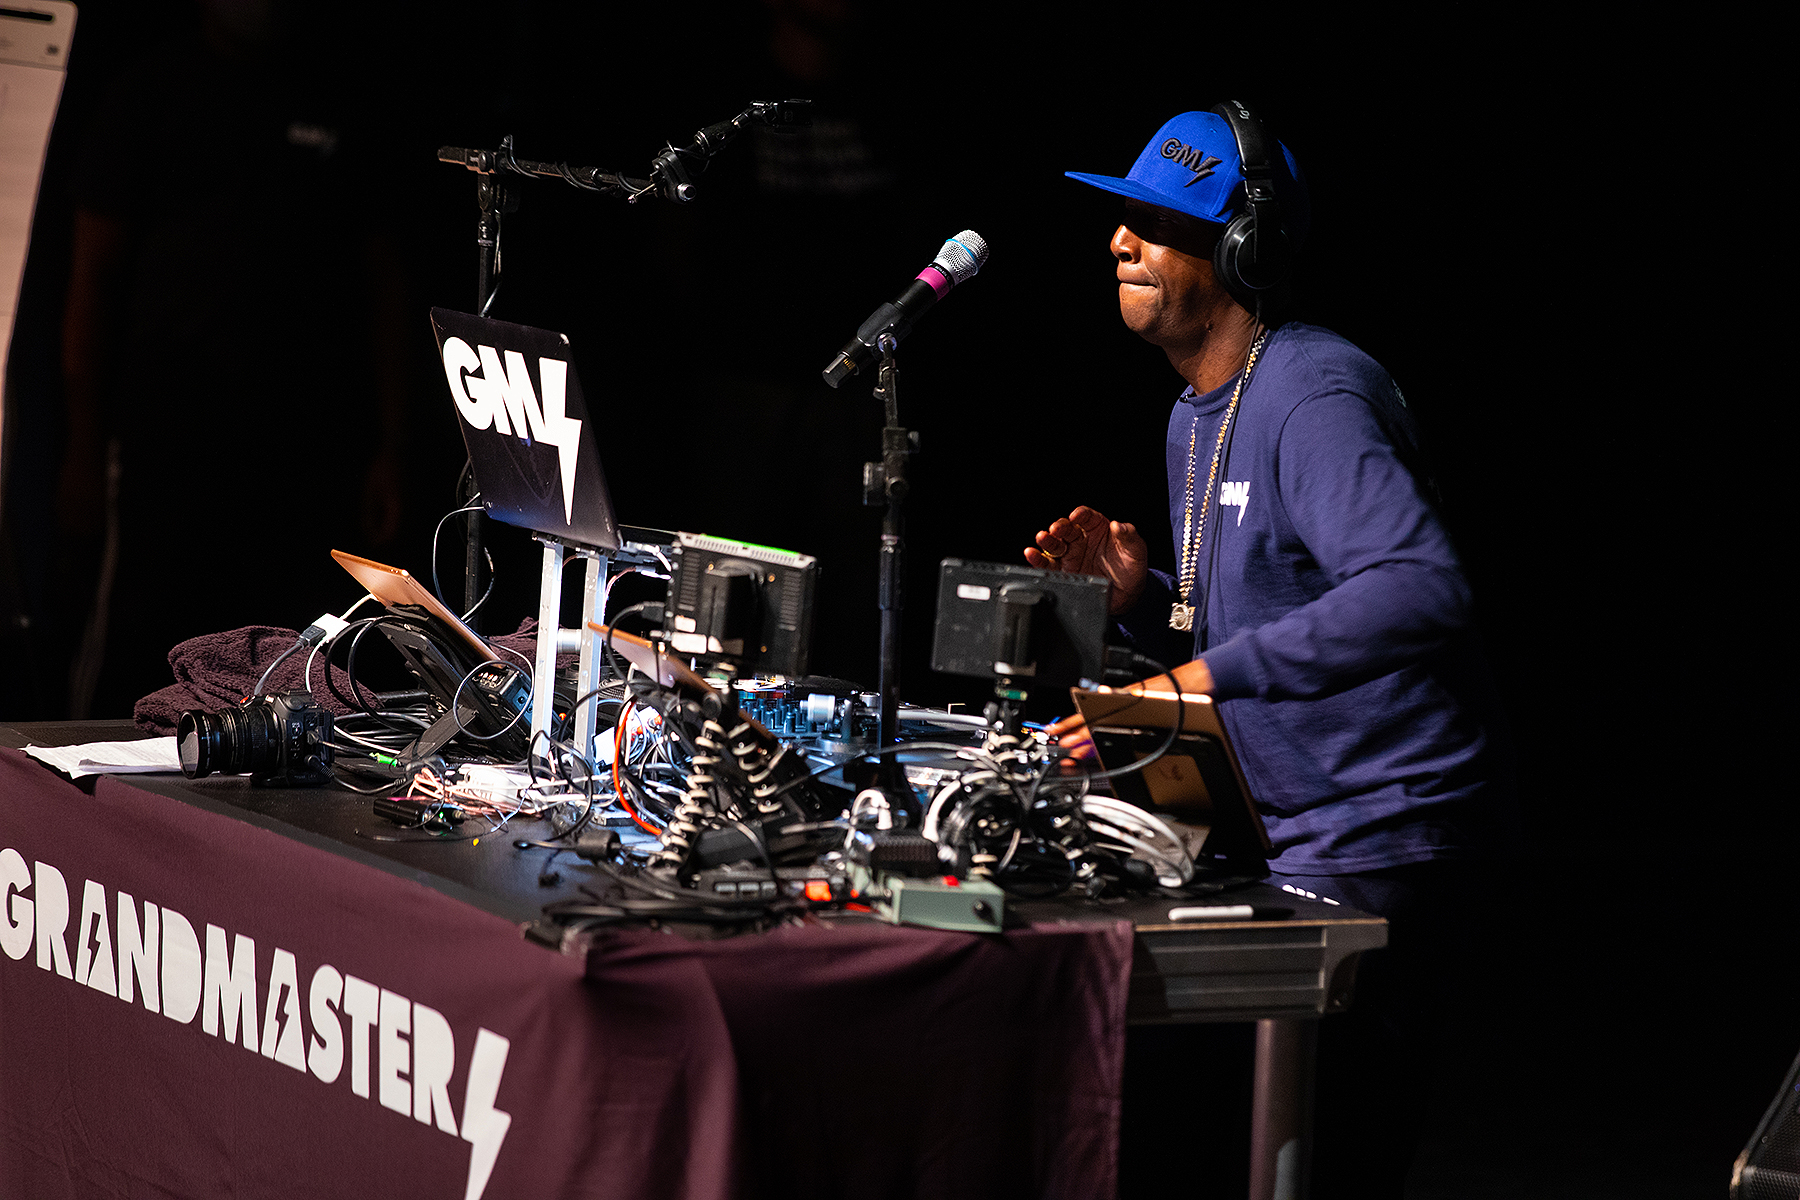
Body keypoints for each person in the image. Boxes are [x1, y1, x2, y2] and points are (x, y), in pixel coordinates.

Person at [1030, 105, 1515, 1196]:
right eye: (1124, 219)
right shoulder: (1193, 415)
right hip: (1294, 839)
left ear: (1244, 250)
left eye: (1159, 224)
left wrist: (1194, 678)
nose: (1120, 241)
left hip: (1390, 839)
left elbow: (1419, 585)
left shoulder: (1315, 393)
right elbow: (1264, 620)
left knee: (1302, 1157)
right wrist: (1144, 605)